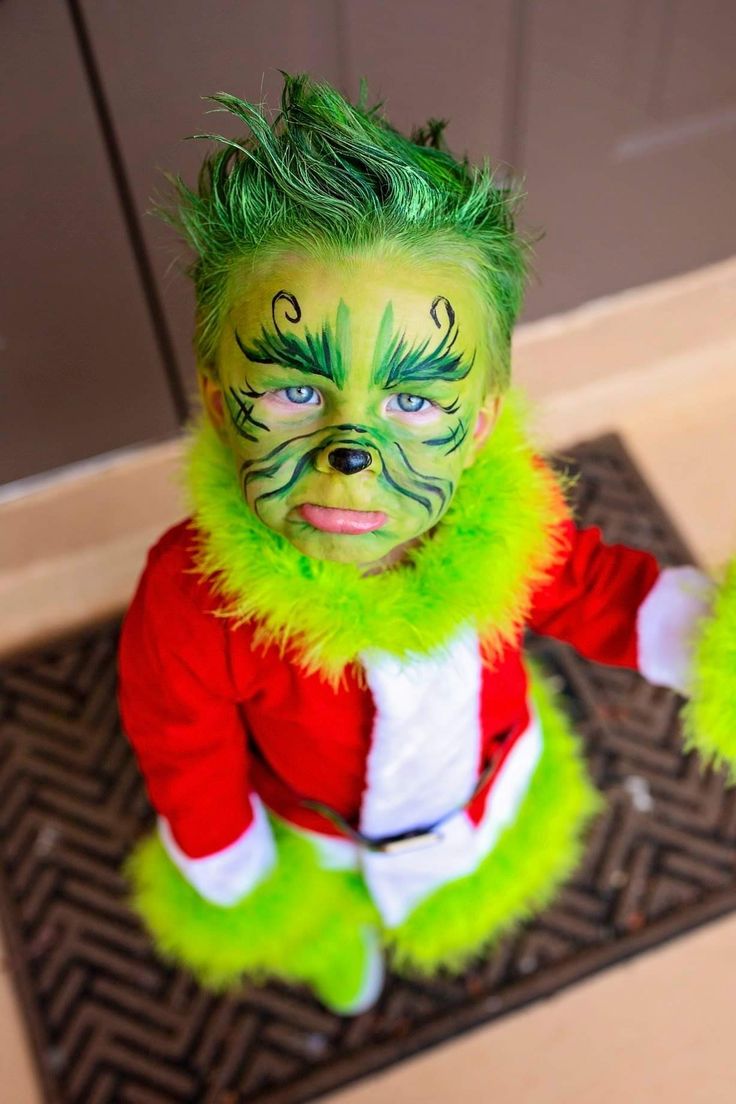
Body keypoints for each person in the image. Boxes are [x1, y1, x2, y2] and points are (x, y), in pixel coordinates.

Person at [118, 74, 731, 1014]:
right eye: (292, 392)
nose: (352, 460)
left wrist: (713, 646)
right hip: (313, 826)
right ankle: (321, 928)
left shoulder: (511, 518)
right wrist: (239, 872)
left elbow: (601, 588)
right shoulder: (191, 598)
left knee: (474, 878)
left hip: (480, 784)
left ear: (482, 423)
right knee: (318, 904)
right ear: (214, 398)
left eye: (413, 403)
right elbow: (180, 744)